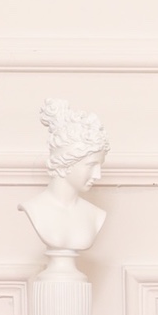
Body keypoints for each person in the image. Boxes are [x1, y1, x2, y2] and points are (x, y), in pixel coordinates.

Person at [18, 99, 110, 252]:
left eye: (100, 166)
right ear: (65, 162)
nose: (98, 175)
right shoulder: (35, 208)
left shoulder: (95, 215)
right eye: (91, 165)